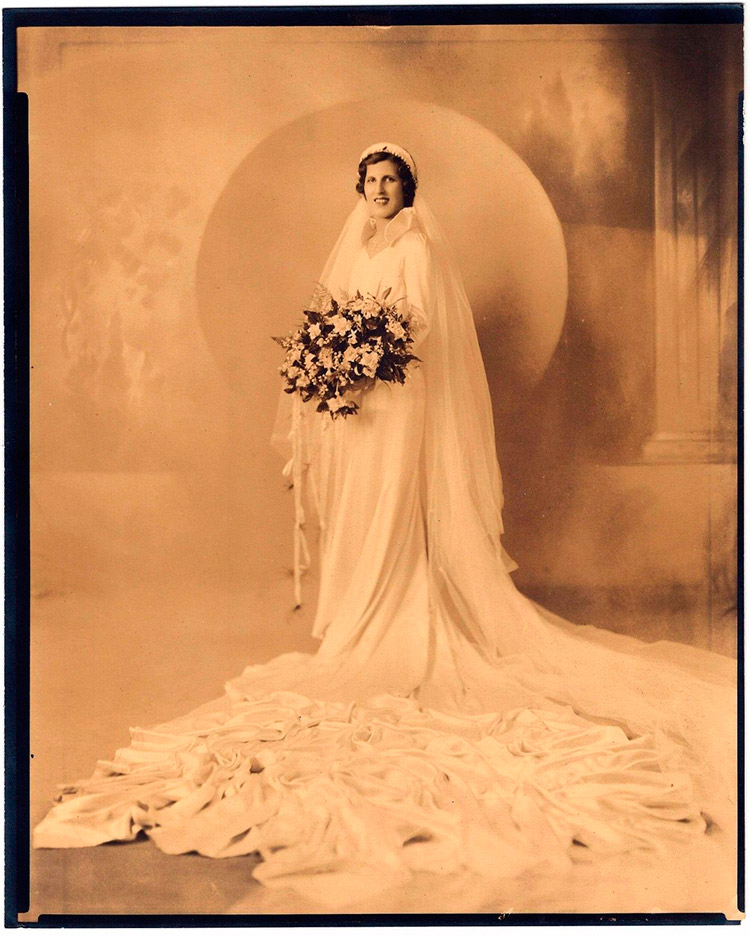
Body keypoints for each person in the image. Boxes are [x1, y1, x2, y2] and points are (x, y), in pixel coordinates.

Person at [34, 143, 736, 909]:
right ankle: (360, 615)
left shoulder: (417, 247)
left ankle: (402, 607)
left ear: (408, 190)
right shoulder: (357, 244)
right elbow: (332, 316)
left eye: (391, 181)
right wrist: (334, 359)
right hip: (360, 408)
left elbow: (423, 328)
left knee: (398, 506)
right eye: (371, 181)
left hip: (402, 404)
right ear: (360, 187)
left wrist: (370, 351)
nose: (379, 190)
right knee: (361, 510)